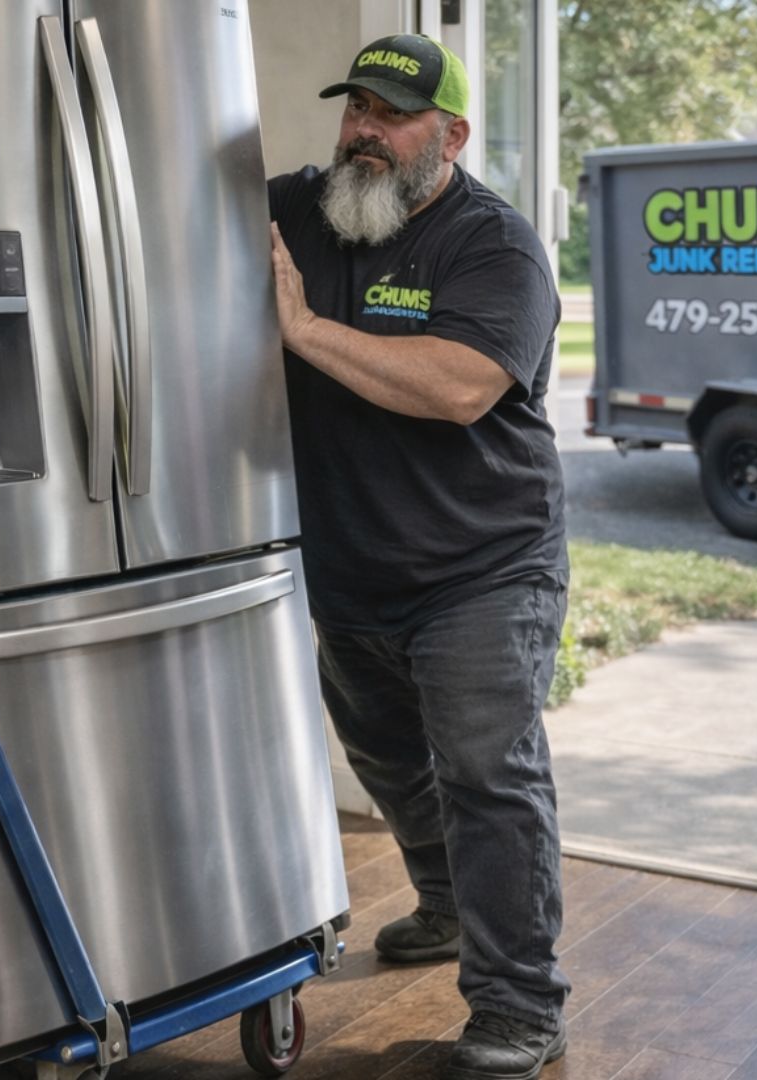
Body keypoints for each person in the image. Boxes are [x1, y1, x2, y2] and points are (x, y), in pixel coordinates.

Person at [268, 34, 569, 1080]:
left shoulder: (495, 245)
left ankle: (519, 1009)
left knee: (487, 773)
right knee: (394, 764)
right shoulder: (303, 210)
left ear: (450, 134)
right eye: (354, 108)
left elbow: (457, 387)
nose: (363, 132)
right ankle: (444, 904)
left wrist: (302, 330)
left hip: (484, 564)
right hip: (352, 563)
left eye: (390, 116)